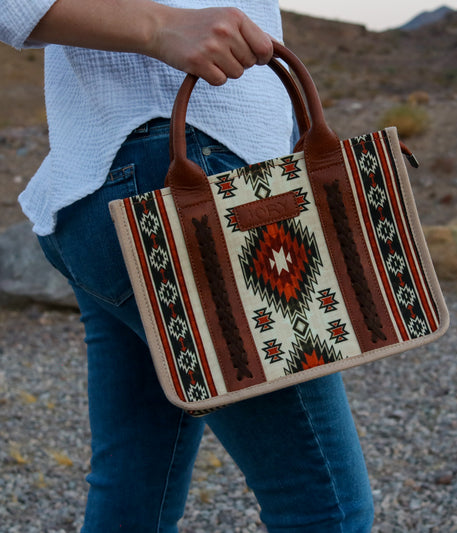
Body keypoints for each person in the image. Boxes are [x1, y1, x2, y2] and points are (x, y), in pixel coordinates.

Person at [1, 1, 374, 531]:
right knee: (326, 507)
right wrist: (162, 26)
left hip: (107, 185)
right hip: (186, 188)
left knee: (135, 498)